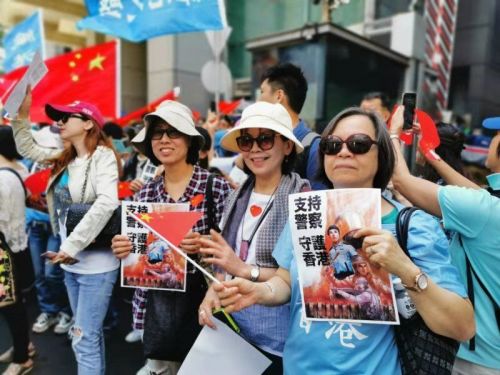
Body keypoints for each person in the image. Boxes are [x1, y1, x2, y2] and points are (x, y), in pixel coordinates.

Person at [214, 107, 474, 374]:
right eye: (332, 145)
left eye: (359, 144)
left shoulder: (414, 225)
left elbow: (463, 326)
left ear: (381, 153)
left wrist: (405, 269)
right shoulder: (307, 213)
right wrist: (260, 292)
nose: (344, 152)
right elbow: (286, 281)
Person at [111, 100, 232, 375]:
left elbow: (235, 248)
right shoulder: (145, 195)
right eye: (157, 132)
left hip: (206, 303)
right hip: (158, 308)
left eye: (173, 132)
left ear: (190, 141)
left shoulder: (215, 187)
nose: (164, 139)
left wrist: (201, 245)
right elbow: (138, 255)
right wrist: (125, 248)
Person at [12, 87, 121, 375]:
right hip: (70, 263)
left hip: (95, 264)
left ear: (88, 123)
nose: (59, 121)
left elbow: (108, 202)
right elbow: (27, 148)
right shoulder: (66, 158)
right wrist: (22, 116)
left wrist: (70, 246)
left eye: (66, 117)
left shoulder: (104, 157)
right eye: (58, 118)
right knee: (84, 335)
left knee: (83, 338)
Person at [197, 102, 309, 374]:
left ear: (287, 146)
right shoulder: (236, 194)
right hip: (235, 330)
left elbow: (301, 276)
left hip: (280, 340)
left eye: (266, 139)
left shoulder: (303, 199)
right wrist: (214, 289)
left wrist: (242, 269)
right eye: (247, 141)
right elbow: (226, 262)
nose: (255, 149)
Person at [390, 107, 500, 374]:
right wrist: (430, 153)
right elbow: (471, 193)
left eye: (496, 134)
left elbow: (401, 180)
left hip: (475, 360)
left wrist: (392, 133)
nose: (492, 139)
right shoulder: (490, 204)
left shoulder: (484, 210)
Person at [0, 126, 35, 375]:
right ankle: (24, 346)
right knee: (14, 303)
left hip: (4, 249)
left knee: (10, 304)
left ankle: (22, 358)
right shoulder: (19, 170)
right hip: (16, 245)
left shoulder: (3, 178)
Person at [259, 62, 327, 190]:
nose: (258, 101)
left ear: (279, 95)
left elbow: (319, 203)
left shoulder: (314, 147)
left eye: (262, 92)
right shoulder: (261, 141)